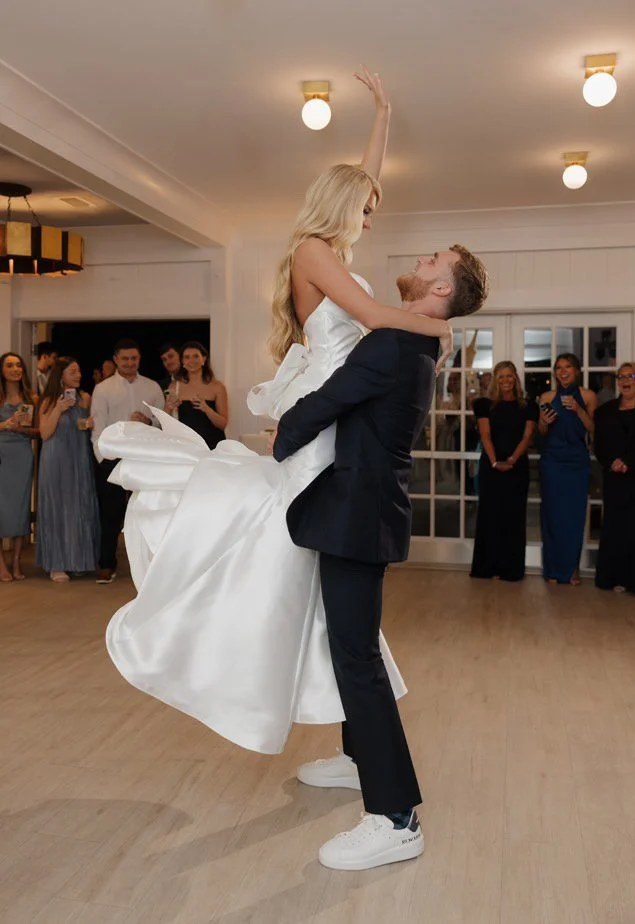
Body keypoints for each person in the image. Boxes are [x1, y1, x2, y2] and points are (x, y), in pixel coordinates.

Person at [98, 68, 484, 762]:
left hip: (343, 406)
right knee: (293, 567)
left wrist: (384, 112)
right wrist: (439, 329)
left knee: (327, 598)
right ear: (342, 206)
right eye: (365, 208)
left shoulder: (333, 250)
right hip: (330, 405)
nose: (373, 217)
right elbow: (367, 315)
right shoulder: (313, 252)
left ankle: (353, 741)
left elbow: (365, 181)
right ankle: (221, 644)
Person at [271, 248, 488, 871]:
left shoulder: (394, 344)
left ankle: (396, 817)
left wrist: (279, 438)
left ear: (440, 285)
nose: (420, 259)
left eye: (432, 260)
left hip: (357, 515)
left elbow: (327, 402)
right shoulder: (414, 342)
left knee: (356, 655)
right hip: (364, 508)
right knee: (349, 641)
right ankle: (358, 756)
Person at [91, 338, 163, 583]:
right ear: (116, 360)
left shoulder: (152, 387)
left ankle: (151, 564)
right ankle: (106, 563)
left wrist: (148, 421)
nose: (130, 363)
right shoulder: (103, 389)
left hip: (144, 458)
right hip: (112, 457)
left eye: (134, 358)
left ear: (139, 359)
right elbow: (97, 427)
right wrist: (102, 458)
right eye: (125, 359)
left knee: (147, 511)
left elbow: (162, 423)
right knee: (110, 513)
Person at [594, 363, 635, 595]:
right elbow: (599, 445)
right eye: (620, 376)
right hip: (616, 481)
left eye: (629, 376)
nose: (624, 380)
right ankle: (615, 578)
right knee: (617, 532)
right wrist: (612, 461)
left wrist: (630, 462)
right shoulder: (605, 411)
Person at [469, 362, 538, 582]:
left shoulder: (528, 406)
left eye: (509, 376)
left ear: (516, 378)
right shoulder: (484, 405)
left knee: (513, 518)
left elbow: (527, 437)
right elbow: (485, 436)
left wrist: (511, 460)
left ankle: (511, 569)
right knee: (490, 516)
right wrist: (495, 462)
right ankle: (487, 567)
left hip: (517, 468)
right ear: (495, 380)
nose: (505, 381)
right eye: (501, 377)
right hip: (491, 468)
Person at [36, 357, 101, 582]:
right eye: (73, 371)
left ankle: (78, 560)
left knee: (78, 506)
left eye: (79, 371)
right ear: (60, 375)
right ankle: (57, 563)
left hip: (78, 456)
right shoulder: (48, 400)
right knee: (57, 507)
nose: (78, 375)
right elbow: (44, 433)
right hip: (55, 459)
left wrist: (88, 423)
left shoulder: (84, 398)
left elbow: (81, 426)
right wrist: (59, 408)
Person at [538, 353, 597, 585]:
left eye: (568, 367)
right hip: (552, 461)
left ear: (577, 371)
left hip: (577, 462)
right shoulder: (547, 396)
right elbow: (541, 434)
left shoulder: (588, 396)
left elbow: (593, 429)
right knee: (552, 515)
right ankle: (552, 568)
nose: (563, 372)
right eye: (559, 368)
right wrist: (544, 421)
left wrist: (578, 410)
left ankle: (572, 569)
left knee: (574, 516)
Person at [0, 353, 39, 582]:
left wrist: (23, 429)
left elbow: (38, 432)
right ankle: (1, 564)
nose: (15, 369)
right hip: (1, 454)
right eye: (9, 365)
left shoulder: (31, 397)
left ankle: (16, 560)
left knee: (20, 509)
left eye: (18, 365)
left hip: (22, 455)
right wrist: (6, 424)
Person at [164, 342, 228, 448]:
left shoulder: (218, 387)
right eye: (187, 357)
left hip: (213, 445)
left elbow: (223, 424)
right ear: (182, 361)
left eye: (196, 356)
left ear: (204, 358)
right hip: (186, 445)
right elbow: (165, 420)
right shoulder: (174, 386)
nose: (191, 361)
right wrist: (170, 408)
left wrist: (207, 409)